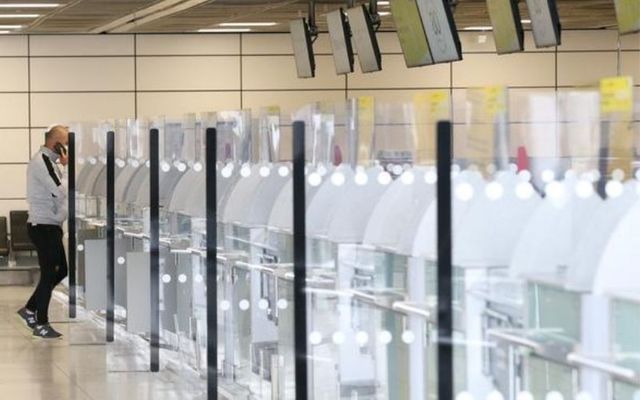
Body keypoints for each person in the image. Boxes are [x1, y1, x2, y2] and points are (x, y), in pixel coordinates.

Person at [17, 125, 69, 339]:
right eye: (64, 144)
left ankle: (29, 309)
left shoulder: (50, 162)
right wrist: (67, 167)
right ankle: (41, 323)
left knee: (62, 270)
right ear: (55, 143)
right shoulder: (42, 162)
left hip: (51, 225)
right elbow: (59, 191)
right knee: (49, 273)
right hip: (43, 226)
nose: (66, 148)